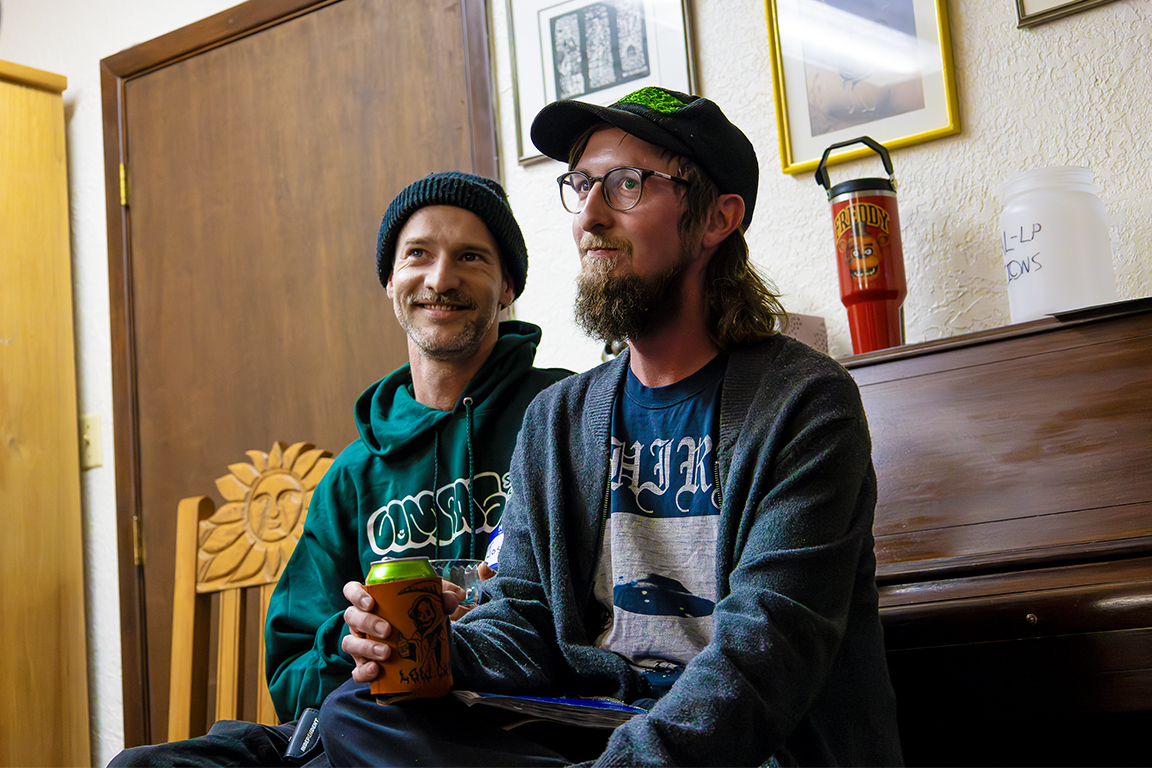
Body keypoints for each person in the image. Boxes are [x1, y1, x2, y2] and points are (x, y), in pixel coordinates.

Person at [320, 87, 903, 766]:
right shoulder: (559, 418)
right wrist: (435, 650)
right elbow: (522, 616)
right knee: (357, 711)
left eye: (626, 184)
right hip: (590, 730)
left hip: (748, 745)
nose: (589, 216)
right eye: (581, 185)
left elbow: (764, 656)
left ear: (718, 218)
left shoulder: (805, 402)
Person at [110, 171, 570, 766]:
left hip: (507, 727)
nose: (440, 278)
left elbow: (608, 627)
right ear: (389, 280)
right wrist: (347, 643)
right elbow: (292, 676)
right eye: (418, 255)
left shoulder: (563, 415)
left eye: (471, 257)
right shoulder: (354, 474)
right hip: (355, 724)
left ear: (507, 285)